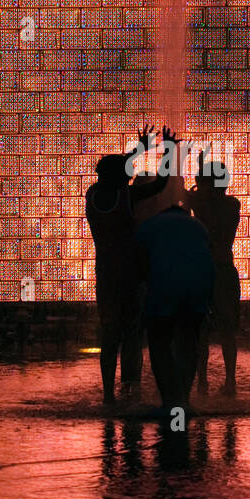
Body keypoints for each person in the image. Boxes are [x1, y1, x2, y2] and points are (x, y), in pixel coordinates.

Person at [132, 160, 215, 416]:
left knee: (159, 341)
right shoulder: (197, 226)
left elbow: (140, 267)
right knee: (189, 341)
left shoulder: (148, 226)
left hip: (166, 286)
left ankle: (170, 400)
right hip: (198, 287)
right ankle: (184, 400)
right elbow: (206, 259)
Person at [84, 140, 146, 404]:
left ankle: (108, 393)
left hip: (106, 274)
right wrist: (161, 151)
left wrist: (136, 152)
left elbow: (116, 173)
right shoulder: (127, 196)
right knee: (132, 332)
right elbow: (159, 185)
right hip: (130, 275)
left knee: (110, 333)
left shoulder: (92, 195)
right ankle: (131, 389)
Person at [188, 150, 240, 395]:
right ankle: (229, 382)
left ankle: (202, 382)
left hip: (202, 271)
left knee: (200, 330)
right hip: (224, 270)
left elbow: (190, 196)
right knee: (227, 329)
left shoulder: (200, 202)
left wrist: (198, 184)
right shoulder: (232, 204)